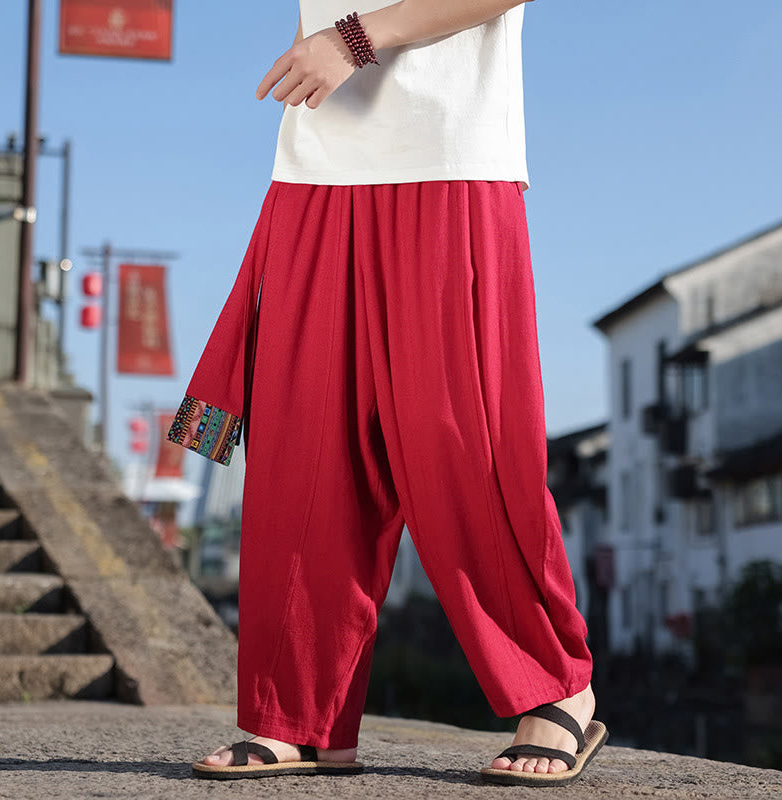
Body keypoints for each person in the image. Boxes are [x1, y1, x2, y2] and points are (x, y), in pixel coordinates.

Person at [168, 0, 608, 787]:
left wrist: (354, 40)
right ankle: (298, 717)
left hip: (450, 158)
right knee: (306, 449)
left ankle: (556, 687)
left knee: (464, 443)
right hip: (314, 168)